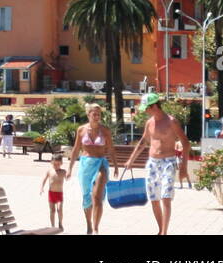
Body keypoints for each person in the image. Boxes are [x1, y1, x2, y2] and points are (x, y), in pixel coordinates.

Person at [119, 93, 190, 235]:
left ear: (154, 106)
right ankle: (160, 230)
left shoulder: (171, 121)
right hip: (152, 163)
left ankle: (164, 232)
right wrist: (131, 160)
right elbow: (143, 142)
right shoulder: (149, 123)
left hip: (168, 162)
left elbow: (185, 143)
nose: (145, 111)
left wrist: (183, 168)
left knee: (165, 197)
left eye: (147, 108)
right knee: (154, 198)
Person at [68, 103, 112, 234]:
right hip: (86, 165)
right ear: (88, 115)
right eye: (94, 114)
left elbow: (111, 148)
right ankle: (89, 225)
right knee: (87, 197)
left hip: (101, 164)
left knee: (97, 197)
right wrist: (70, 168)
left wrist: (115, 165)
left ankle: (96, 228)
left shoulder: (105, 130)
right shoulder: (81, 130)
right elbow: (76, 149)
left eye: (99, 114)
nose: (97, 116)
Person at [40, 156, 66, 230]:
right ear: (51, 162)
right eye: (54, 164)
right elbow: (44, 179)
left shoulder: (63, 171)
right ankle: (52, 225)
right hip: (51, 193)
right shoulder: (49, 171)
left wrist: (68, 176)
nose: (56, 166)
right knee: (52, 210)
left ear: (61, 163)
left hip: (59, 194)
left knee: (59, 209)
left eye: (58, 164)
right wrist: (41, 187)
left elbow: (67, 178)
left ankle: (60, 223)